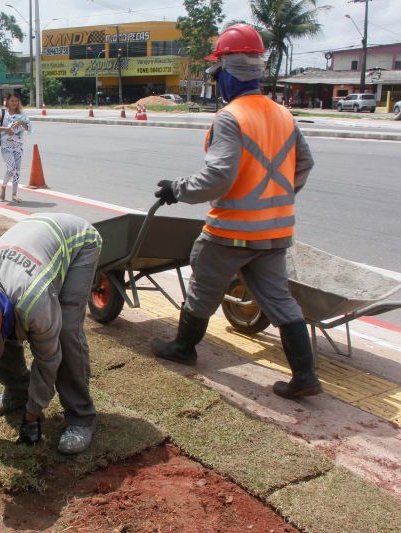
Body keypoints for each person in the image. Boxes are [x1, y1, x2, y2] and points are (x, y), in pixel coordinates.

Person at [150, 23, 322, 400]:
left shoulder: (231, 117)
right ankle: (305, 376)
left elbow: (218, 176)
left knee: (201, 284)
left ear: (228, 74)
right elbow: (304, 163)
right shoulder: (283, 114)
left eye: (216, 75)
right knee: (279, 299)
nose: (217, 83)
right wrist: (276, 196)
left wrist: (178, 189)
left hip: (233, 232)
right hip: (274, 232)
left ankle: (183, 347)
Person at [0, 213, 102, 460]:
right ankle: (18, 392)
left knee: (66, 331)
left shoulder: (34, 302)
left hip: (78, 241)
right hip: (30, 238)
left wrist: (32, 416)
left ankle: (81, 416)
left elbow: (48, 360)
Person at [0, 94, 33, 203]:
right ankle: (3, 186)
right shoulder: (2, 112)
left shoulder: (22, 114)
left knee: (17, 171)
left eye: (16, 101)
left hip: (18, 147)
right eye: (12, 101)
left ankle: (14, 194)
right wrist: (6, 129)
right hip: (6, 146)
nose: (14, 103)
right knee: (12, 169)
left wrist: (22, 123)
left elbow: (29, 128)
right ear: (8, 101)